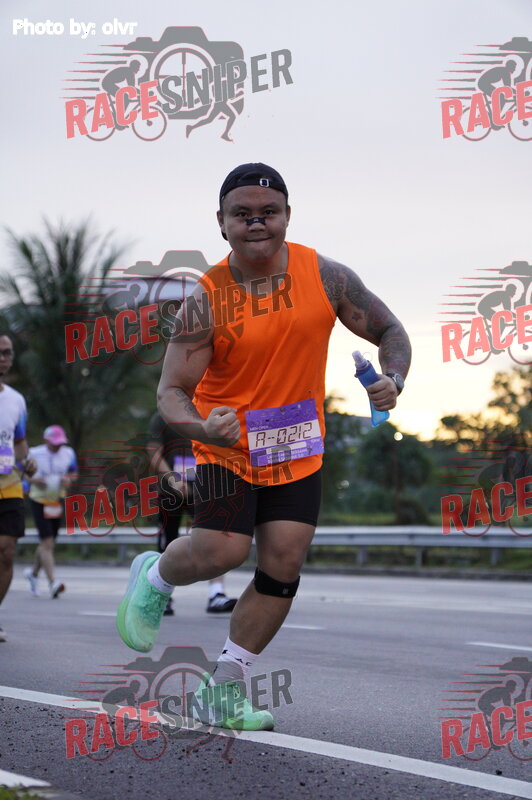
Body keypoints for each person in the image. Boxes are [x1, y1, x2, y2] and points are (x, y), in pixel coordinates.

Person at [117, 163, 411, 730]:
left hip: (297, 449)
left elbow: (390, 331)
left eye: (268, 212)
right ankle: (155, 575)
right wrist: (203, 429)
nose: (257, 223)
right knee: (222, 553)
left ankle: (224, 688)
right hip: (228, 449)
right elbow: (171, 391)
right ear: (221, 223)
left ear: (287, 216)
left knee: (283, 565)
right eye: (243, 214)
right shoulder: (205, 300)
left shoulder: (325, 276)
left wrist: (393, 379)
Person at [146, 411, 237, 615]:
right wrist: (173, 479)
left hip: (204, 488)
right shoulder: (164, 416)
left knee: (214, 539)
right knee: (167, 542)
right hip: (171, 490)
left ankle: (216, 594)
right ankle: (162, 596)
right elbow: (153, 453)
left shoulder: (207, 412)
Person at [0, 334, 37, 641]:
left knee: (7, 551)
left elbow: (19, 441)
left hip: (9, 482)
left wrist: (28, 460)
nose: (3, 358)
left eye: (7, 352)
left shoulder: (16, 400)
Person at [24, 426, 78, 598]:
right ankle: (53, 582)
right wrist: (34, 480)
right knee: (47, 543)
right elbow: (23, 474)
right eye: (55, 443)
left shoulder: (68, 453)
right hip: (39, 500)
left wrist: (68, 479)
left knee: (48, 543)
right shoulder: (34, 453)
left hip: (56, 501)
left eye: (60, 443)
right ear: (46, 440)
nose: (57, 446)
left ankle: (33, 574)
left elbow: (74, 473)